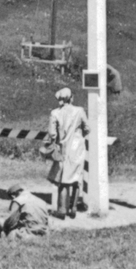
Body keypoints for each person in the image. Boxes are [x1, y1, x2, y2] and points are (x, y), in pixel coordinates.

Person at [45, 87, 89, 220]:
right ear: (71, 98)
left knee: (63, 179)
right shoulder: (80, 111)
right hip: (78, 148)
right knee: (76, 178)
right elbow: (87, 128)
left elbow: (52, 134)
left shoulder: (54, 113)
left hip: (62, 148)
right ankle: (74, 208)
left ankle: (62, 209)